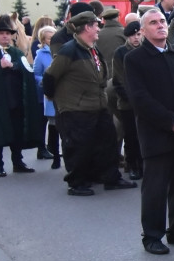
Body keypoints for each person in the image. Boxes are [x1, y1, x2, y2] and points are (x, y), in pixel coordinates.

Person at [124, 9, 174, 255]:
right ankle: (152, 236)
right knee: (155, 188)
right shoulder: (135, 59)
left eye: (161, 22)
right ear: (143, 30)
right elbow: (139, 99)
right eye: (152, 23)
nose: (159, 26)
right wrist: (171, 122)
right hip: (157, 135)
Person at [42, 11, 137, 196]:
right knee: (79, 146)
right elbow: (49, 77)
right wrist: (56, 99)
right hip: (77, 108)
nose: (98, 28)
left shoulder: (93, 48)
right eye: (95, 25)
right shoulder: (69, 50)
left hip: (98, 105)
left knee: (107, 142)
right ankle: (76, 182)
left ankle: (110, 178)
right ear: (86, 28)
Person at [0, 15, 43, 177]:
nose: (5, 36)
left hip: (16, 100)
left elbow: (27, 70)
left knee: (17, 132)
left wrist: (14, 66)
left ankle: (18, 162)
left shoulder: (17, 52)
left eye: (8, 33)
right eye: (1, 33)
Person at [112, 21, 144, 181]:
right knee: (130, 136)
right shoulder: (121, 52)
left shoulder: (146, 50)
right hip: (127, 103)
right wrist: (133, 99)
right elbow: (119, 79)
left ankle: (143, 163)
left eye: (138, 34)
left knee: (143, 136)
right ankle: (133, 165)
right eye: (133, 35)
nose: (136, 38)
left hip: (145, 103)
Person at [32, 26, 60, 165]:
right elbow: (36, 74)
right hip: (49, 93)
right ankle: (54, 153)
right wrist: (43, 81)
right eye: (49, 38)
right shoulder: (41, 55)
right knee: (53, 123)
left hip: (63, 91)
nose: (52, 40)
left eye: (54, 37)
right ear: (43, 40)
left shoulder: (61, 50)